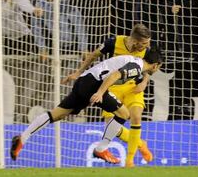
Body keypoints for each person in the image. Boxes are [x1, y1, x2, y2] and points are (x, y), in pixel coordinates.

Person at [10, 49, 163, 163]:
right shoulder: (135, 67)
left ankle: (22, 138)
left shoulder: (134, 62)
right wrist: (100, 92)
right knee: (124, 114)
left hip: (84, 81)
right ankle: (101, 150)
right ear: (155, 65)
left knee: (57, 114)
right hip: (94, 85)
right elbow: (114, 75)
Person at [62, 24, 153, 167]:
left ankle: (130, 161)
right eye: (143, 43)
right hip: (112, 86)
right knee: (112, 125)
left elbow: (150, 66)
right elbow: (93, 55)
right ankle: (140, 143)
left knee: (136, 117)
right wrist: (79, 72)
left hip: (133, 86)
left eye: (148, 43)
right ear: (134, 40)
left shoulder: (147, 49)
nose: (147, 46)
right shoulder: (114, 42)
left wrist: (144, 83)